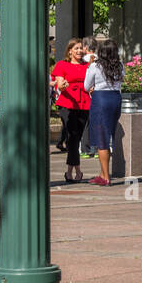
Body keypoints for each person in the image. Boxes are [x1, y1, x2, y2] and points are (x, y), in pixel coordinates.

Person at [82, 39, 123, 186]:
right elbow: (121, 81)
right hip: (115, 98)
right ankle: (102, 172)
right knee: (108, 135)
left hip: (101, 99)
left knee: (102, 140)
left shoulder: (95, 65)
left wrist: (89, 70)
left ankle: (106, 177)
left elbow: (86, 86)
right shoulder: (120, 65)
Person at [51, 38, 91, 182]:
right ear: (70, 51)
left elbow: (92, 82)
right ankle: (77, 171)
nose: (79, 51)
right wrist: (62, 85)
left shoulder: (88, 65)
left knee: (75, 138)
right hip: (68, 103)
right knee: (72, 136)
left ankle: (70, 172)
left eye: (81, 48)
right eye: (76, 49)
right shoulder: (62, 64)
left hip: (84, 102)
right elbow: (59, 84)